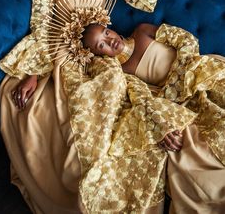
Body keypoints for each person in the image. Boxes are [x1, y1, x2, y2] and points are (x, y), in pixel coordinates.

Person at [0, 0, 167, 214]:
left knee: (116, 104)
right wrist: (34, 73)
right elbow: (42, 26)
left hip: (102, 53)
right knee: (65, 124)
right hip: (64, 58)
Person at [82, 22, 225, 213]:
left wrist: (184, 71)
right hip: (180, 96)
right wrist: (161, 122)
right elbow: (143, 98)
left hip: (194, 68)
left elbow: (184, 38)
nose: (110, 40)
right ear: (101, 55)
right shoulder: (123, 71)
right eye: (102, 45)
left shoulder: (141, 31)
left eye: (106, 32)